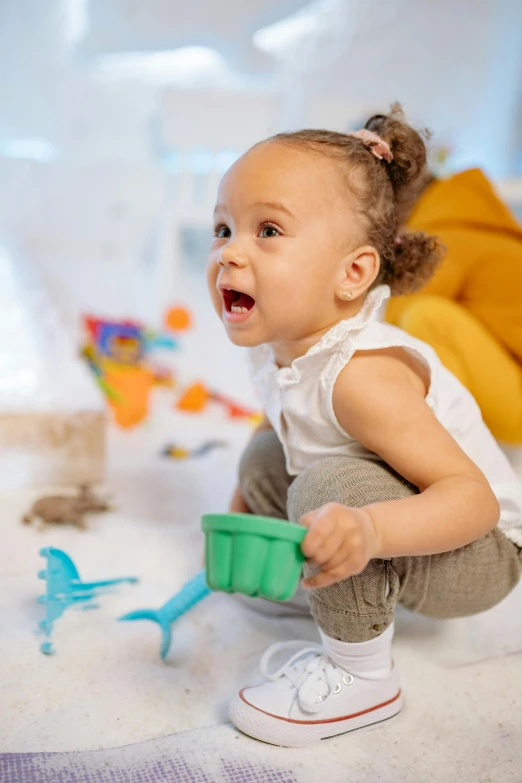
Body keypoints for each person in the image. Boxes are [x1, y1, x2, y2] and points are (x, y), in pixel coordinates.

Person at [206, 104, 522, 748]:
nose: (231, 253)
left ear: (352, 274)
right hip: (410, 521)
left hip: (481, 554)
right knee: (268, 453)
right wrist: (249, 516)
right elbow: (280, 425)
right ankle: (329, 586)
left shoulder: (364, 377)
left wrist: (369, 530)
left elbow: (475, 500)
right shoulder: (282, 347)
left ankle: (362, 676)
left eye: (267, 231)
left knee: (332, 489)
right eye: (223, 228)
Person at [382, 142, 522, 445]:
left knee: (427, 316)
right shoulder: (474, 224)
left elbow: (390, 318)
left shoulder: (444, 236)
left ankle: (441, 444)